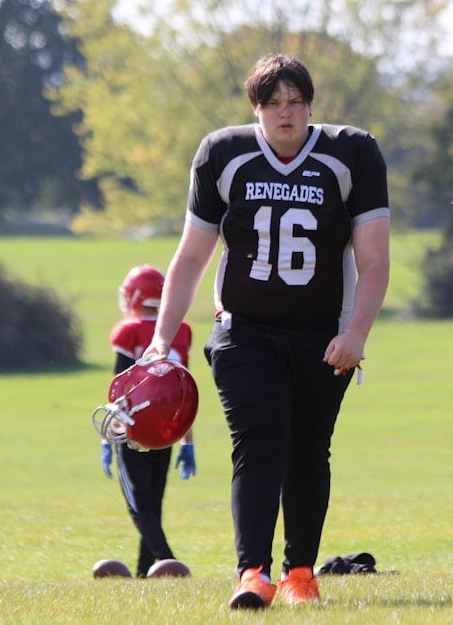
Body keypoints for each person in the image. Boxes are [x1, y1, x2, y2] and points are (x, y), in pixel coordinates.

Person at [142, 54, 390, 609]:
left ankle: (300, 572)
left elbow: (374, 260)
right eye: (273, 103)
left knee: (308, 452)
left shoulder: (351, 152)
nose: (286, 113)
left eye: (296, 102)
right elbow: (191, 258)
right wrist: (162, 337)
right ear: (255, 108)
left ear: (310, 105)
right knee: (260, 443)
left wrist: (357, 333)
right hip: (244, 329)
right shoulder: (224, 154)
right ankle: (251, 573)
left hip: (323, 334)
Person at [101, 264, 195, 578]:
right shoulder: (181, 330)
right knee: (153, 502)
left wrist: (107, 438)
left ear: (135, 296)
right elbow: (183, 391)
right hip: (168, 427)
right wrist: (188, 441)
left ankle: (168, 562)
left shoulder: (129, 331)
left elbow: (120, 389)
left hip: (134, 427)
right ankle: (145, 572)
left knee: (139, 504)